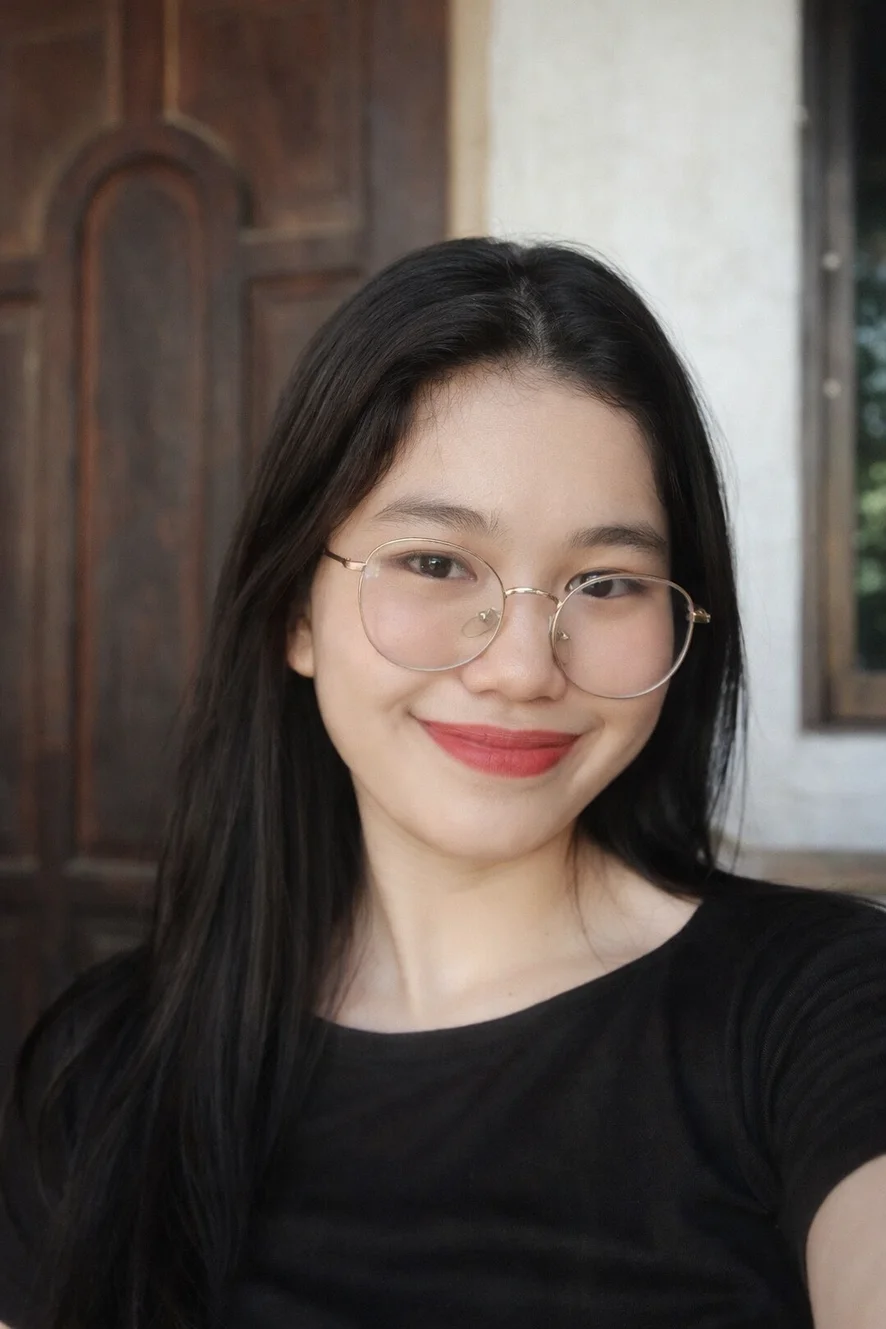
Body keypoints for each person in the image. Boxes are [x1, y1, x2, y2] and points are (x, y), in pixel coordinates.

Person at [1, 237, 885, 1329]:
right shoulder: (108, 1068)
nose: (521, 668)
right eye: (435, 563)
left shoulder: (823, 1011)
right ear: (295, 612)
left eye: (607, 582)